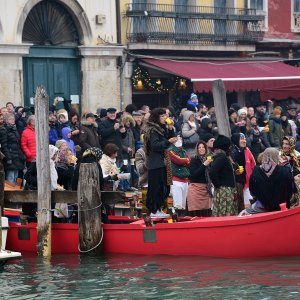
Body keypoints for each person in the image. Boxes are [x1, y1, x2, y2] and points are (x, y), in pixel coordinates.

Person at [143, 107, 177, 217]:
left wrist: (171, 129)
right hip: (155, 163)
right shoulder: (153, 130)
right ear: (156, 118)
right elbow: (155, 146)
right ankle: (154, 210)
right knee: (156, 187)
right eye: (162, 116)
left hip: (163, 162)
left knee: (164, 187)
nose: (165, 118)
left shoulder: (162, 129)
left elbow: (170, 140)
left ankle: (159, 208)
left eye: (165, 115)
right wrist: (167, 142)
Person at [241, 148, 294, 215]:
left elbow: (252, 192)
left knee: (244, 213)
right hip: (282, 207)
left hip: (261, 207)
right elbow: (291, 190)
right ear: (277, 157)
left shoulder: (255, 172)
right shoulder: (285, 171)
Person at [209, 135, 237, 216]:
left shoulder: (221, 157)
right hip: (225, 190)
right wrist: (218, 185)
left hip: (224, 189)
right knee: (225, 212)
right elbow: (212, 172)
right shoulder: (222, 157)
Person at [230, 133, 256, 212]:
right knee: (241, 204)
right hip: (238, 183)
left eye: (244, 139)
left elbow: (253, 164)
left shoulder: (246, 150)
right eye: (241, 139)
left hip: (248, 182)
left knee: (249, 204)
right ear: (236, 140)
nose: (244, 141)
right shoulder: (232, 152)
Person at [187, 141, 213, 217]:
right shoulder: (194, 160)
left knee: (206, 214)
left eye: (203, 147)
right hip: (195, 190)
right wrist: (204, 164)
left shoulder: (210, 160)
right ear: (197, 150)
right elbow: (194, 175)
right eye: (199, 147)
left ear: (206, 149)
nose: (201, 149)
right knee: (196, 214)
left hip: (206, 189)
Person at [0, 113, 25, 184]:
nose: (12, 120)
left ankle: (15, 192)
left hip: (16, 156)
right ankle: (10, 192)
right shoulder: (3, 130)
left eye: (13, 119)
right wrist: (8, 158)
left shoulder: (14, 129)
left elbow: (18, 144)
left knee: (16, 176)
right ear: (6, 120)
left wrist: (21, 155)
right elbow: (4, 145)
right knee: (10, 176)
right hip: (10, 155)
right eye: (10, 119)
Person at [168, 136, 190, 210]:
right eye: (177, 139)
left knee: (183, 206)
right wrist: (185, 161)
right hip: (175, 180)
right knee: (178, 206)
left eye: (180, 139)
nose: (179, 140)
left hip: (185, 180)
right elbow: (178, 160)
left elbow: (189, 161)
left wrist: (184, 161)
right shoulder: (170, 150)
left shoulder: (184, 151)